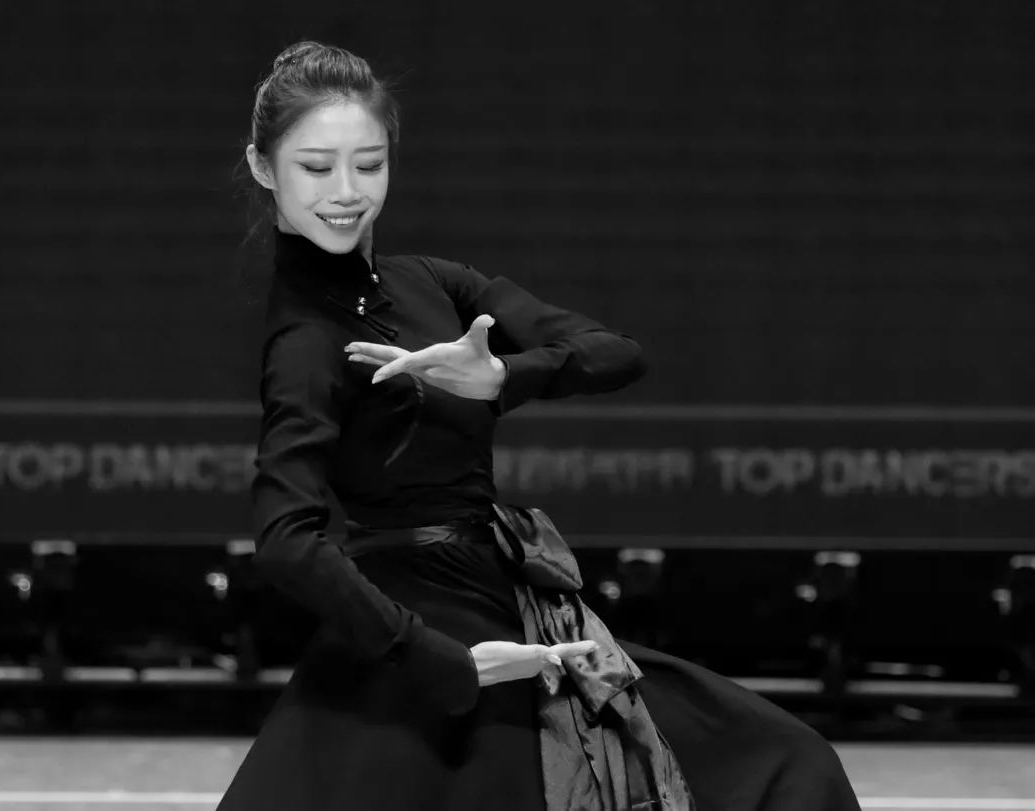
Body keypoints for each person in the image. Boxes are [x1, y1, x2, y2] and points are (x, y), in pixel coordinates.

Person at [217, 40, 861, 811]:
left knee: (781, 761)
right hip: (430, 631)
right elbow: (286, 540)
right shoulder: (305, 337)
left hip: (514, 602)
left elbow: (615, 352)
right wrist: (439, 658)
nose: (348, 191)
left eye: (371, 163)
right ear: (263, 167)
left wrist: (500, 379)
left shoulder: (433, 282)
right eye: (317, 167)